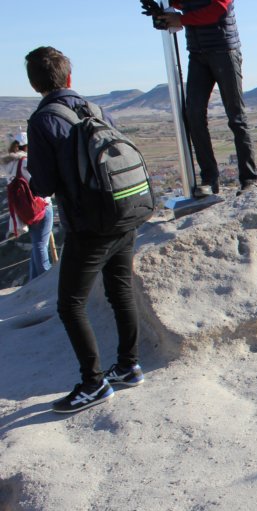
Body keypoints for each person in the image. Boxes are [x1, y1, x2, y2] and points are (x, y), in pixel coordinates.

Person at [25, 46, 145, 414]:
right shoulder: (94, 109)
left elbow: (43, 185)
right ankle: (128, 366)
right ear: (70, 77)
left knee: (71, 303)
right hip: (124, 212)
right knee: (120, 291)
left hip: (89, 224)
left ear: (34, 84)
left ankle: (93, 383)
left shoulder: (43, 119)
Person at [156, 0, 257, 197]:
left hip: (224, 50)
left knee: (236, 118)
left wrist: (181, 19)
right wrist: (162, 13)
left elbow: (218, 8)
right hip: (197, 53)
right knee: (193, 114)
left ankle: (249, 180)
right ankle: (210, 179)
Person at [3, 132, 54, 279]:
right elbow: (40, 182)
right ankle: (45, 275)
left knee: (37, 243)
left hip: (26, 210)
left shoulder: (10, 165)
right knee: (40, 244)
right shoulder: (26, 162)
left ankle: (34, 280)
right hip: (40, 206)